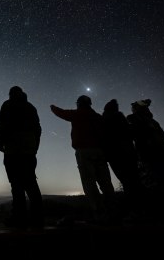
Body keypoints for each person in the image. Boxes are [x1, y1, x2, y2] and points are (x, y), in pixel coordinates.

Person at [50, 95, 118, 224]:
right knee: (106, 183)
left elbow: (61, 113)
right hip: (99, 152)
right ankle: (113, 212)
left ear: (79, 104)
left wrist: (52, 107)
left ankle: (99, 213)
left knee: (89, 183)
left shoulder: (77, 114)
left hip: (84, 152)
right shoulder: (98, 117)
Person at [126, 99, 164, 218]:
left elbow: (131, 134)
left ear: (136, 109)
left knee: (162, 181)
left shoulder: (134, 119)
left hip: (150, 153)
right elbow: (163, 135)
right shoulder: (153, 120)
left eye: (134, 107)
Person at [0, 86, 44, 230]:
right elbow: (38, 129)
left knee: (16, 184)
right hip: (29, 150)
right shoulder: (30, 107)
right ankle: (37, 217)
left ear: (10, 94)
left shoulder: (7, 104)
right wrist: (35, 147)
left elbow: (1, 125)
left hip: (12, 149)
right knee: (30, 183)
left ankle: (19, 217)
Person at [102, 99, 146, 218]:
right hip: (128, 154)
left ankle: (133, 211)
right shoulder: (120, 118)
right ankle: (139, 211)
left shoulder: (104, 120)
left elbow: (104, 140)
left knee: (127, 182)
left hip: (115, 156)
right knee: (134, 182)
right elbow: (130, 133)